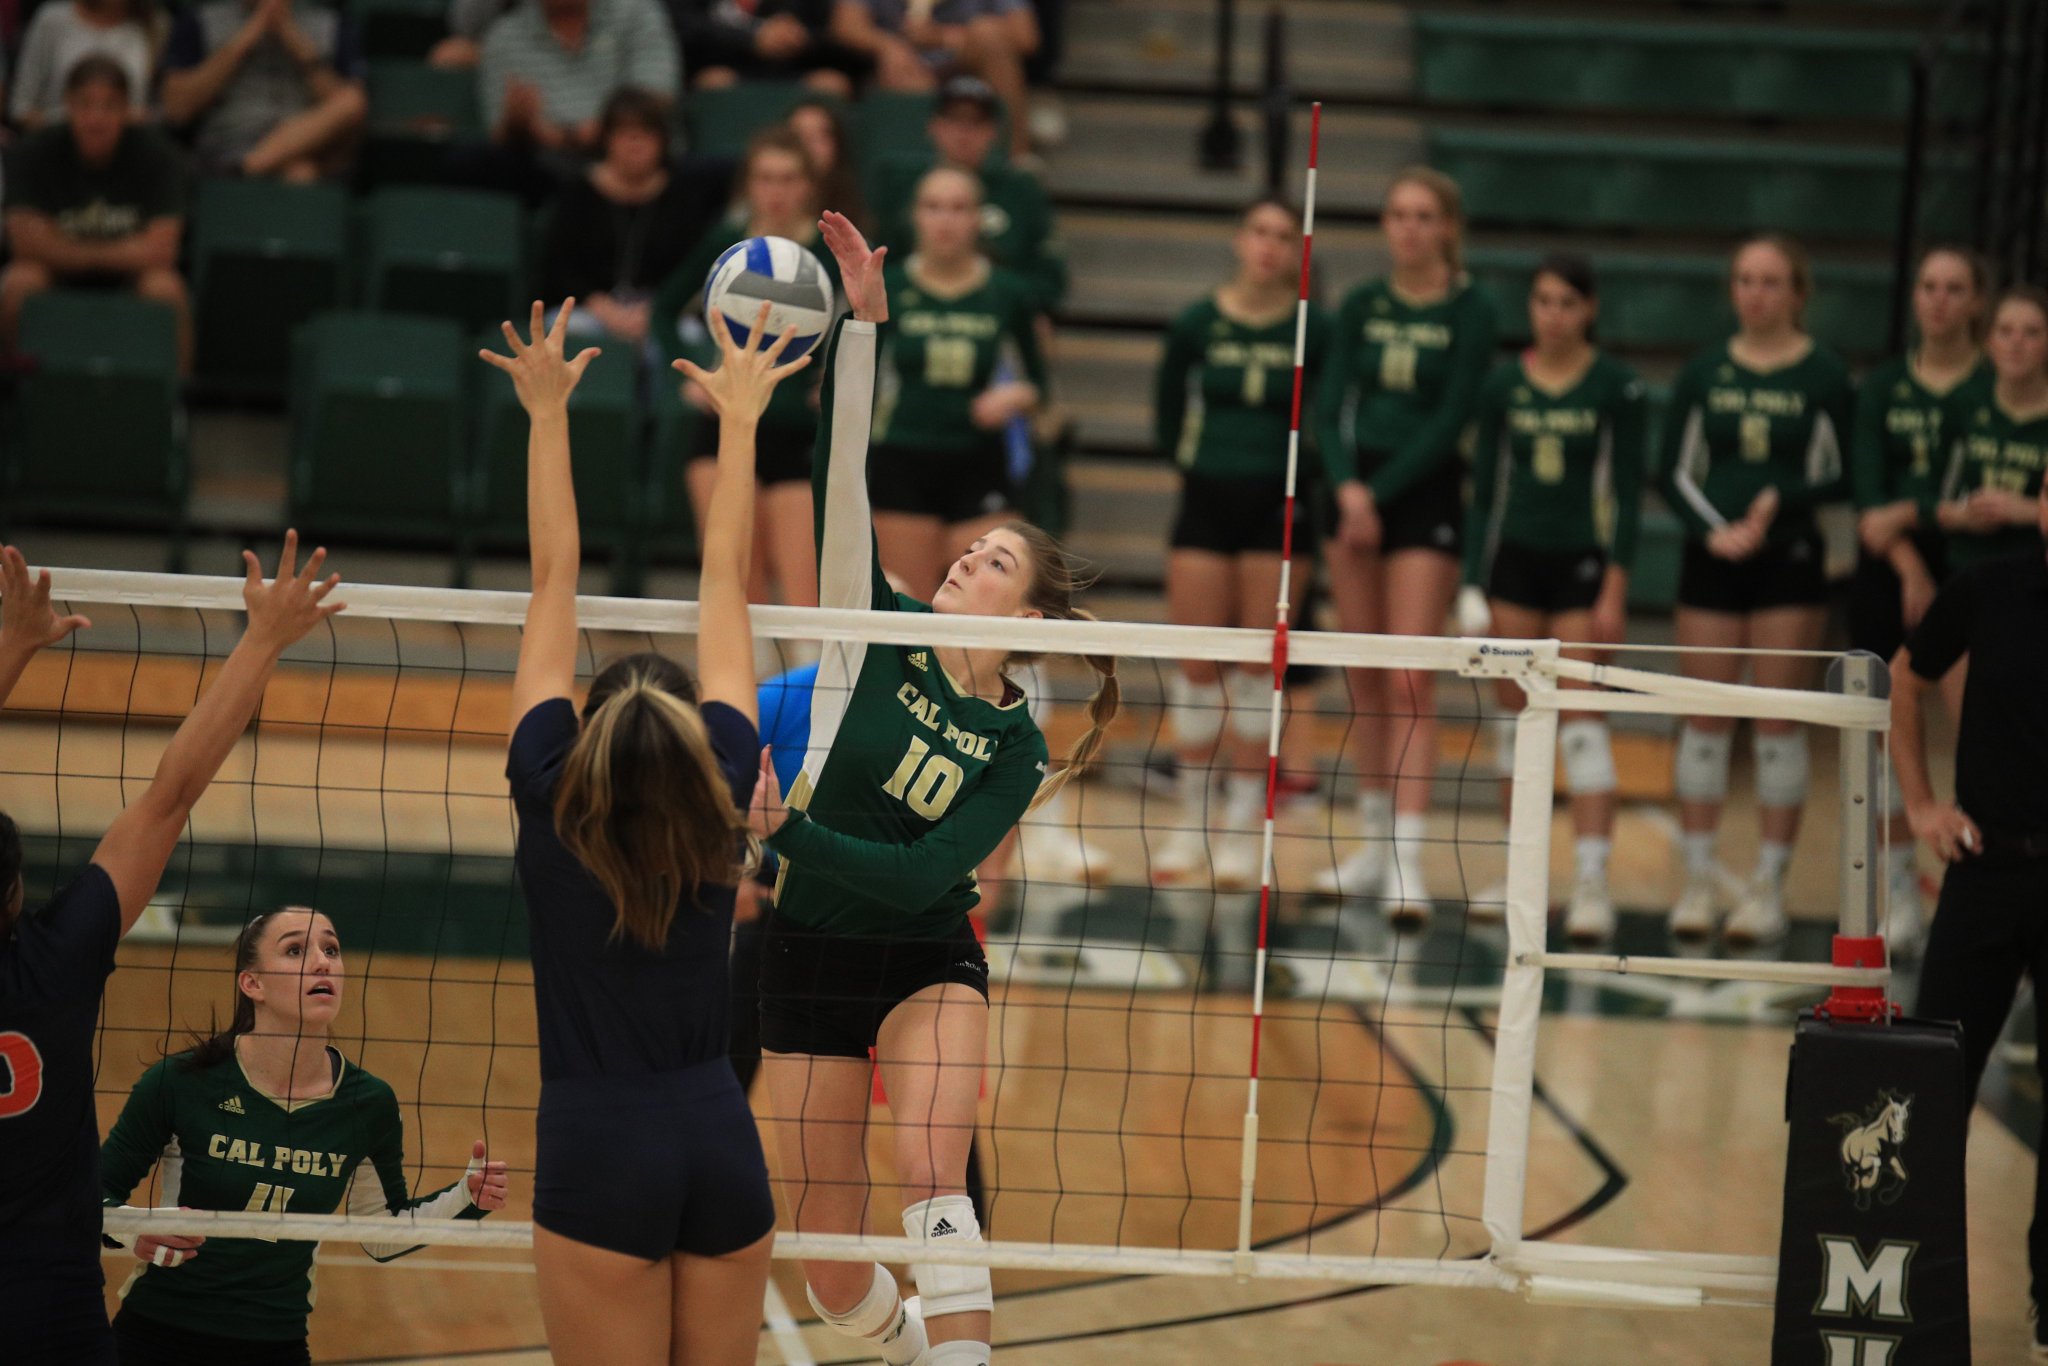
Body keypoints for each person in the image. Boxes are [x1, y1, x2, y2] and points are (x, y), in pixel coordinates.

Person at [750, 209, 1116, 1366]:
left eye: (993, 561)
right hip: (806, 949)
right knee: (823, 1253)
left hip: (923, 952)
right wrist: (863, 329)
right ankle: (912, 1345)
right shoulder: (874, 631)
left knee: (926, 1164)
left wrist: (788, 832)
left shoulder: (1015, 748)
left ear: (1031, 620)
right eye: (968, 551)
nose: (966, 559)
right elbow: (837, 472)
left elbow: (920, 876)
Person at [493, 296, 806, 1364]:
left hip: (596, 1144)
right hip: (719, 1135)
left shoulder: (549, 786)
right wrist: (741, 418)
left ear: (584, 731)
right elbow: (727, 581)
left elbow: (552, 580)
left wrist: (546, 413)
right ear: (688, 734)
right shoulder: (721, 782)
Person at [0, 535, 341, 1366]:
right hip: (50, 1300)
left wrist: (9, 647)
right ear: (14, 892)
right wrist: (261, 640)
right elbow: (171, 793)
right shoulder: (56, 959)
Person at [98, 909, 510, 1365]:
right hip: (156, 1338)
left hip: (276, 1345)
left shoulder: (367, 1103)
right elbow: (91, 1197)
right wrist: (138, 1228)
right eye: (296, 950)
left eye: (331, 950)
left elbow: (380, 1233)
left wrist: (466, 1198)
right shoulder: (180, 1082)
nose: (323, 963)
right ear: (251, 984)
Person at [1311, 167, 1497, 924]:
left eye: (1424, 216)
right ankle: (1370, 844)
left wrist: (1379, 497)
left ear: (1448, 226)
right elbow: (1327, 409)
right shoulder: (1362, 304)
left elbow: (1453, 416)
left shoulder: (1470, 309)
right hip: (1351, 499)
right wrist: (1349, 488)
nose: (1410, 228)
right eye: (1398, 215)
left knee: (1413, 680)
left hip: (1421, 502)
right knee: (1365, 678)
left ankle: (1407, 863)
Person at [1658, 233, 1853, 947]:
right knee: (1705, 721)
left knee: (1776, 723)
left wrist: (1784, 498)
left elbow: (1847, 472)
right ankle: (1698, 879)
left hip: (1789, 562)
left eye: (1772, 282)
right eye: (1745, 279)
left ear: (1798, 293)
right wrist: (1714, 529)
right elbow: (1671, 471)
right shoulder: (1704, 372)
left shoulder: (1825, 375)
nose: (1756, 293)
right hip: (1713, 558)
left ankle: (1769, 884)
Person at [1892, 477, 2048, 1359]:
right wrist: (1921, 807)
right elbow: (1903, 684)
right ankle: (1901, 1290)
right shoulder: (1986, 589)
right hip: (1984, 871)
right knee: (1930, 1087)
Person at [1459, 254, 1647, 943]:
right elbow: (1483, 493)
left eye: (1567, 302)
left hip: (1580, 568)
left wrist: (1615, 585)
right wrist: (1473, 583)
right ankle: (1522, 876)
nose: (1554, 314)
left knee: (1583, 722)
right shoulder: (1504, 386)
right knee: (1515, 726)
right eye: (1542, 301)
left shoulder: (1615, 387)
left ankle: (1593, 883)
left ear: (1589, 309)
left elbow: (1627, 495)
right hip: (1514, 567)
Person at [1149, 196, 1327, 891]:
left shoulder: (1315, 327)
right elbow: (1167, 411)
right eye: (1258, 230)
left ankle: (1244, 827)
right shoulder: (1198, 322)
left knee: (1259, 670)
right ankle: (1189, 821)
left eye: (1284, 235)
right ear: (1238, 238)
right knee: (1197, 667)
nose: (1269, 246)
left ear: (1297, 249)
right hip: (1206, 501)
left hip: (1278, 508)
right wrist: (1197, 458)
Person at [1848, 244, 1988, 957]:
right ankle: (1898, 891)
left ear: (1975, 302)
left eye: (1954, 287)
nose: (1938, 300)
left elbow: (1980, 505)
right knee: (1885, 731)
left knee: (1983, 737)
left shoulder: (1995, 385)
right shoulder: (1884, 387)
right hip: (1894, 573)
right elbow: (1870, 511)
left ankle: (1978, 894)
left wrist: (1916, 515)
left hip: (1976, 569)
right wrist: (1908, 558)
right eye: (1928, 286)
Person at [654, 126, 840, 606]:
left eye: (788, 178)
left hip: (795, 428)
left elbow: (872, 326)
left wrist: (838, 379)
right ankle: (738, 683)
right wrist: (692, 374)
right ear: (748, 184)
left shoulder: (828, 251)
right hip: (720, 424)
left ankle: (805, 681)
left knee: (803, 591)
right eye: (765, 178)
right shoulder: (727, 243)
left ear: (809, 186)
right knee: (733, 584)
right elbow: (663, 309)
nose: (776, 191)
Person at [866, 165, 1046, 598]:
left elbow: (1038, 384)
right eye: (934, 207)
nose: (945, 220)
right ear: (915, 215)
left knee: (985, 601)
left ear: (979, 219)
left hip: (978, 459)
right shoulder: (885, 287)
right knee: (908, 598)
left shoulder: (1008, 293)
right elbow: (848, 371)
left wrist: (1017, 395)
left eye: (959, 208)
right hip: (902, 456)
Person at [0, 58, 190, 370]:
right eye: (85, 105)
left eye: (109, 106)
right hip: (57, 272)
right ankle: (14, 396)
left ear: (127, 110)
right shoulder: (34, 152)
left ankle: (175, 402)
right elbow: (25, 245)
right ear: (67, 106)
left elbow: (161, 251)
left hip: (128, 277)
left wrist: (63, 246)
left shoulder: (160, 155)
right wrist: (124, 250)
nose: (96, 118)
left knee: (166, 289)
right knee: (20, 282)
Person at [873, 75, 1064, 317]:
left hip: (997, 315)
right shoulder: (900, 183)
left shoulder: (1022, 190)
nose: (964, 132)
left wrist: (1011, 301)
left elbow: (1049, 278)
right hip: (909, 314)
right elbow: (880, 260)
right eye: (953, 119)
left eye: (976, 121)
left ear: (993, 131)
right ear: (933, 126)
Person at [536, 87, 705, 353]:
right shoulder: (579, 193)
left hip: (658, 309)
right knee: (565, 328)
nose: (635, 144)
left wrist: (656, 309)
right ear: (607, 139)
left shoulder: (682, 197)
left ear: (662, 141)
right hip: (591, 308)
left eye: (645, 134)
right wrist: (601, 306)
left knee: (689, 335)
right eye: (625, 134)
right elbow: (558, 266)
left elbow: (692, 269)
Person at [158, 0, 367, 180]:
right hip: (226, 144)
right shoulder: (199, 23)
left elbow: (351, 110)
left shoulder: (330, 25)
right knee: (300, 172)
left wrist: (296, 41)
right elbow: (177, 109)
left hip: (303, 144)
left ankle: (243, 170)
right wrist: (247, 37)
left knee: (303, 170)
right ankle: (247, 169)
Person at [476, 0, 678, 166]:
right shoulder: (504, 36)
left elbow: (657, 92)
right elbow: (498, 132)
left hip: (632, 151)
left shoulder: (637, 11)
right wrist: (519, 124)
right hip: (544, 162)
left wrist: (602, 129)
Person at [831, 0, 1036, 161]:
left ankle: (1016, 159)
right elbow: (846, 25)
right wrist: (887, 45)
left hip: (968, 66)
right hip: (904, 70)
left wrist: (943, 37)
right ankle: (917, 171)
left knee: (988, 33)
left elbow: (1025, 36)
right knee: (896, 67)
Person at [1933, 287, 2048, 575]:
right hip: (1966, 568)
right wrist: (1963, 516)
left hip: (2033, 570)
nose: (2016, 343)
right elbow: (1930, 494)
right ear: (1988, 341)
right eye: (2005, 331)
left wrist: (2029, 510)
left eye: (2031, 333)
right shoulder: (1963, 402)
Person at [7, 0, 164, 130]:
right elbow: (21, 108)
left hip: (130, 150)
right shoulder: (51, 20)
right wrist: (81, 124)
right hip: (55, 147)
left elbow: (160, 111)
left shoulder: (155, 26)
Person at [677, 0, 868, 94]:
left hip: (795, 69)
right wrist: (751, 39)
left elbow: (834, 37)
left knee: (831, 85)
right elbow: (685, 28)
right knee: (714, 82)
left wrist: (798, 37)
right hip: (729, 68)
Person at [789, 95, 867, 234]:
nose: (808, 145)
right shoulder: (748, 208)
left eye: (819, 136)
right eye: (798, 136)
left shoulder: (859, 206)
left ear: (838, 144)